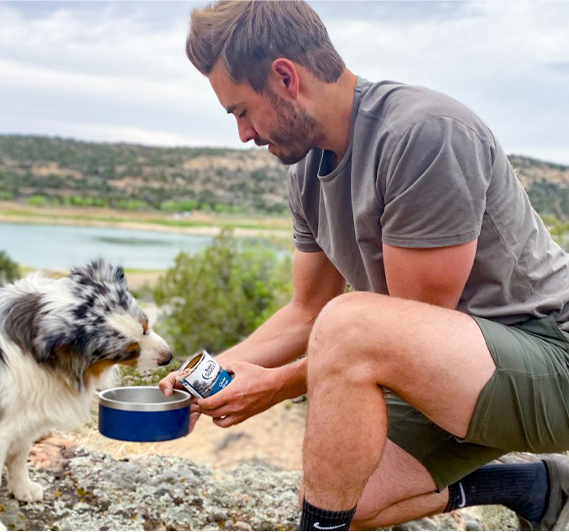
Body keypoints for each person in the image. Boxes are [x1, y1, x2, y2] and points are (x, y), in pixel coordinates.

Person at [158, 1, 569, 530]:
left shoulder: (423, 133)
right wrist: (204, 379)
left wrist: (277, 385)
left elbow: (399, 331)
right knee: (347, 497)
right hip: (461, 368)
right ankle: (536, 486)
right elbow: (307, 311)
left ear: (285, 76)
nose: (243, 134)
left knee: (353, 322)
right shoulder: (305, 170)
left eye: (240, 110)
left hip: (550, 356)